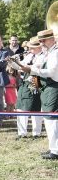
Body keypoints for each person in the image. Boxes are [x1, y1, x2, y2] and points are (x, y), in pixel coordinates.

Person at [18, 29, 58, 159]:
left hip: (53, 87)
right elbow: (40, 65)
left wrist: (32, 69)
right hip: (47, 87)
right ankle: (53, 148)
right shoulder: (49, 52)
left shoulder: (55, 52)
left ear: (52, 39)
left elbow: (51, 72)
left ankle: (55, 151)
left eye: (43, 41)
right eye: (40, 41)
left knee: (52, 119)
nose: (41, 44)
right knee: (48, 118)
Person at [14, 36, 43, 139]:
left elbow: (33, 68)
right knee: (21, 106)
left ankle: (36, 133)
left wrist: (21, 66)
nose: (30, 49)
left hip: (37, 80)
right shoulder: (29, 55)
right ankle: (22, 133)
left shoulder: (43, 56)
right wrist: (12, 62)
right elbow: (20, 66)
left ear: (39, 47)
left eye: (32, 47)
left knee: (36, 106)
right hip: (25, 81)